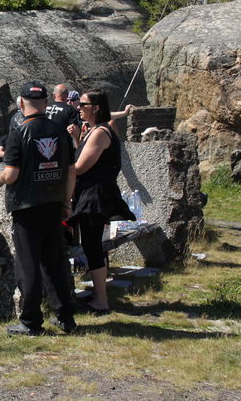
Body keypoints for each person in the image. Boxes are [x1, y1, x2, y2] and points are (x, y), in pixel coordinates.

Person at [0, 82, 77, 335]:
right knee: (55, 262)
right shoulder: (59, 130)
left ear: (20, 103)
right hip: (53, 203)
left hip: (26, 206)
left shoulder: (19, 131)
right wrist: (66, 202)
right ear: (47, 105)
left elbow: (12, 173)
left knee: (28, 264)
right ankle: (65, 316)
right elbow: (71, 171)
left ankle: (30, 320)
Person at [71, 89, 135, 314]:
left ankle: (101, 300)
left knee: (92, 245)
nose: (78, 107)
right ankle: (96, 295)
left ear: (96, 107)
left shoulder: (100, 132)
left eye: (83, 104)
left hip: (95, 196)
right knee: (91, 245)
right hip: (89, 193)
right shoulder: (92, 130)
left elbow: (80, 167)